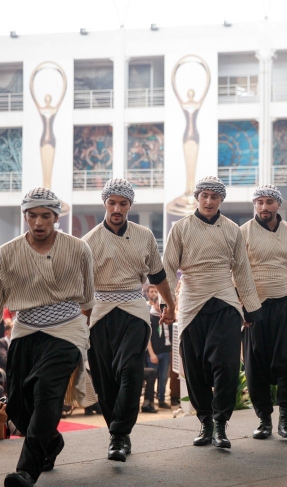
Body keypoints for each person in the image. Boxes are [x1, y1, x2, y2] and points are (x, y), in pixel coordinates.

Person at [0, 187, 95, 487]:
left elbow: (88, 300)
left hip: (67, 329)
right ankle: (50, 443)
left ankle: (26, 471)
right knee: (18, 407)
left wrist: (80, 341)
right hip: (25, 330)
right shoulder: (6, 252)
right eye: (32, 215)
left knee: (46, 392)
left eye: (45, 216)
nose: (38, 222)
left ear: (56, 217)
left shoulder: (79, 248)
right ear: (24, 216)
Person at [163, 176, 263, 449]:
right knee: (193, 367)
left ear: (221, 200)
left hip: (225, 302)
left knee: (225, 365)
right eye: (204, 195)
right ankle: (205, 423)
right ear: (197, 197)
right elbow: (168, 268)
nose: (208, 201)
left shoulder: (232, 229)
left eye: (214, 196)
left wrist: (251, 308)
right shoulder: (181, 228)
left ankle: (220, 425)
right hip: (191, 302)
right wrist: (166, 306)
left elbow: (242, 270)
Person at [82, 178, 176, 462]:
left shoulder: (144, 235)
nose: (117, 208)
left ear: (130, 206)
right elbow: (79, 286)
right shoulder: (88, 242)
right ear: (105, 204)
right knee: (104, 378)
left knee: (129, 370)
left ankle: (120, 434)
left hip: (135, 310)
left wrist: (169, 303)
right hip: (99, 313)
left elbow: (158, 275)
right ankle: (116, 432)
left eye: (123, 203)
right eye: (112, 203)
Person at [240, 184, 287, 439]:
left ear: (278, 204)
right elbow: (237, 271)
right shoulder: (243, 232)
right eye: (259, 202)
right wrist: (243, 306)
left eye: (269, 202)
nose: (264, 207)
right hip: (254, 305)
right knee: (254, 363)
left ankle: (285, 420)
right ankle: (264, 420)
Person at [146, 285, 172, 410]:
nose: (161, 308)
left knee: (163, 378)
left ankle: (161, 399)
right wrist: (151, 354)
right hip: (154, 353)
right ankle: (150, 401)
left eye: (164, 306)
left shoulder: (167, 316)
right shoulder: (150, 318)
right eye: (159, 306)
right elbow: (148, 338)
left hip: (166, 351)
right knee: (152, 377)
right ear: (154, 304)